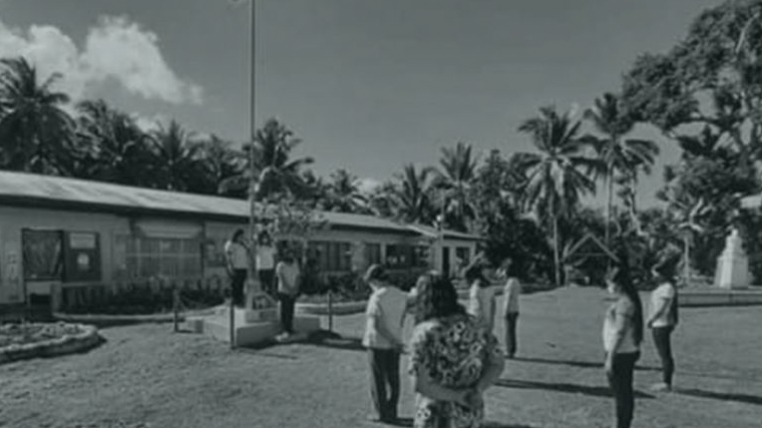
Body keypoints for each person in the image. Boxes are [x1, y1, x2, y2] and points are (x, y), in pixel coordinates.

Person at [409, 274, 505, 428]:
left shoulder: (425, 333)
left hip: (435, 414)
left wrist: (457, 396)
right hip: (469, 412)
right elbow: (497, 362)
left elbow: (420, 384)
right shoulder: (477, 326)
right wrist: (477, 389)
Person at [362, 264, 408, 424]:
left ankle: (381, 412)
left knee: (378, 379)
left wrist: (390, 338)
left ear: (375, 280)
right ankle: (392, 410)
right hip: (396, 341)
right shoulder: (401, 295)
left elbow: (376, 324)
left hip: (377, 342)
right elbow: (402, 318)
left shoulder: (377, 297)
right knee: (393, 378)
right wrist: (396, 339)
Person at [603, 255, 644, 428]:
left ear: (617, 284)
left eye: (609, 284)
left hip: (621, 353)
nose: (608, 288)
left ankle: (622, 424)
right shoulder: (627, 301)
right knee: (623, 392)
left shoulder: (625, 303)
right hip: (625, 351)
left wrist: (610, 358)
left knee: (622, 394)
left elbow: (620, 331)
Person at [647, 255, 680, 392]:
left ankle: (666, 382)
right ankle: (665, 381)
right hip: (658, 323)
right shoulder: (661, 287)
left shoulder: (667, 288)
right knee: (662, 353)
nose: (654, 276)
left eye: (656, 273)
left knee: (664, 353)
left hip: (662, 323)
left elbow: (662, 307)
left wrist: (651, 319)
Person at [275, 248, 300, 340]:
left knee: (291, 310)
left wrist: (295, 288)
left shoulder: (295, 264)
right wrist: (289, 288)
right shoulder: (280, 265)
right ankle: (284, 329)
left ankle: (290, 328)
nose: (291, 255)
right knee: (284, 311)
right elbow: (281, 278)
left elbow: (298, 276)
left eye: (292, 254)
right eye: (289, 254)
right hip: (284, 291)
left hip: (293, 291)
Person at [499, 258, 522, 358]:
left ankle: (509, 350)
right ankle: (512, 349)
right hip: (515, 308)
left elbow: (508, 298)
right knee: (512, 330)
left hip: (510, 309)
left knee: (509, 331)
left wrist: (504, 311)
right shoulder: (516, 281)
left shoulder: (510, 283)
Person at [466, 262, 496, 334]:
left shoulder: (489, 287)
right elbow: (476, 308)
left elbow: (493, 304)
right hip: (477, 322)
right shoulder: (476, 287)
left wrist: (491, 322)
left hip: (484, 322)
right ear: (481, 271)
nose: (491, 272)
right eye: (488, 268)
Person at [224, 229, 249, 308]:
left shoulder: (243, 245)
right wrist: (230, 266)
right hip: (235, 267)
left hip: (243, 266)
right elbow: (228, 256)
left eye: (243, 236)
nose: (241, 238)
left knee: (241, 284)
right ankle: (234, 301)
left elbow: (248, 251)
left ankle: (240, 300)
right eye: (240, 236)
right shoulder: (231, 244)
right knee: (235, 285)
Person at [256, 231, 276, 296]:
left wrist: (275, 266)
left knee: (270, 285)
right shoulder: (258, 246)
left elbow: (275, 256)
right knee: (262, 285)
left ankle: (270, 297)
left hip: (270, 267)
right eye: (263, 237)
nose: (265, 239)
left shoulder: (272, 246)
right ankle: (262, 297)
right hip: (261, 267)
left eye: (266, 237)